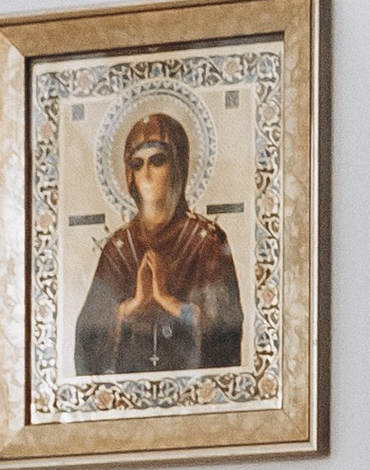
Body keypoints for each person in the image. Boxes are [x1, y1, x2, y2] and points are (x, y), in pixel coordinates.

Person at [71, 111, 242, 378]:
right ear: (129, 174)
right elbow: (87, 340)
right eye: (137, 164)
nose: (147, 174)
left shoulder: (206, 241)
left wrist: (170, 303)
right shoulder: (119, 248)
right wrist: (131, 308)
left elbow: (226, 332)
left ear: (178, 166)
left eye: (158, 161)